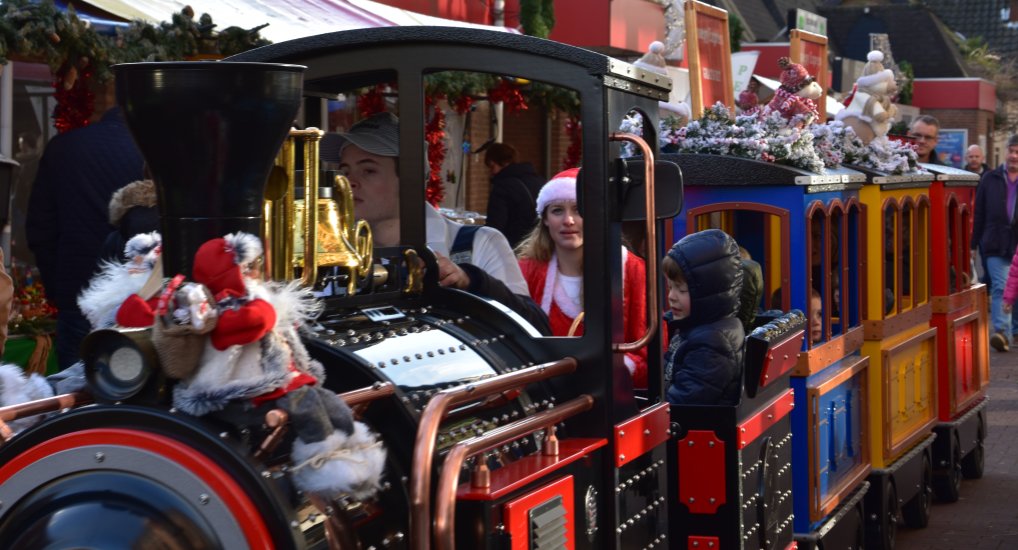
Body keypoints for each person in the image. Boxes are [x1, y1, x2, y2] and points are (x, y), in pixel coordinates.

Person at [336, 112, 549, 332]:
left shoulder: (479, 244)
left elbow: (535, 328)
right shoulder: (332, 259)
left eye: (368, 170)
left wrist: (470, 281)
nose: (349, 183)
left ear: (411, 180)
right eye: (344, 171)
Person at [26, 105, 145, 369]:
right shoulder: (152, 152)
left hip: (77, 288)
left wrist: (58, 289)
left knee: (74, 386)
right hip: (137, 293)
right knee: (132, 386)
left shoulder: (64, 147)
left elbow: (40, 227)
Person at [516, 168, 648, 386]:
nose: (568, 220)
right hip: (546, 395)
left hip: (612, 395)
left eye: (579, 210)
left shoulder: (631, 269)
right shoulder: (526, 270)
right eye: (557, 211)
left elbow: (647, 350)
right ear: (546, 219)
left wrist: (602, 374)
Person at [662, 229, 744, 406]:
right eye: (670, 288)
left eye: (681, 290)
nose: (671, 296)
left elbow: (682, 403)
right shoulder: (694, 327)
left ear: (710, 293)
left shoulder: (712, 345)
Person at [971, 134, 1018, 352]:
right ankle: (1002, 333)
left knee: (1013, 287)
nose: (1013, 155)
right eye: (1011, 150)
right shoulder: (990, 179)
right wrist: (972, 245)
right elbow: (978, 213)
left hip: (1015, 244)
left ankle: (1013, 329)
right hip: (994, 243)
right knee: (1001, 286)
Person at [483, 143, 543, 248]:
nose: (491, 172)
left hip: (514, 246)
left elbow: (495, 224)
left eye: (492, 166)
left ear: (503, 162)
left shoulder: (502, 186)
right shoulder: (539, 181)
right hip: (539, 243)